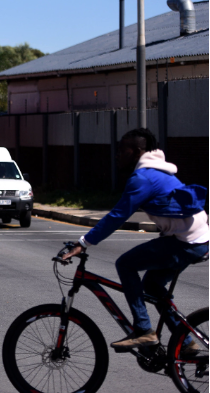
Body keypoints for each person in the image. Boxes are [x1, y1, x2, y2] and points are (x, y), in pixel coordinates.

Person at [64, 128, 208, 352]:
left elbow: (117, 215)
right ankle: (186, 342)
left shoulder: (143, 178)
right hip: (196, 239)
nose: (118, 155)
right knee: (152, 286)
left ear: (138, 151)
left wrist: (83, 243)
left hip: (187, 242)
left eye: (123, 150)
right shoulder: (158, 171)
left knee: (125, 264)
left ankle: (143, 331)